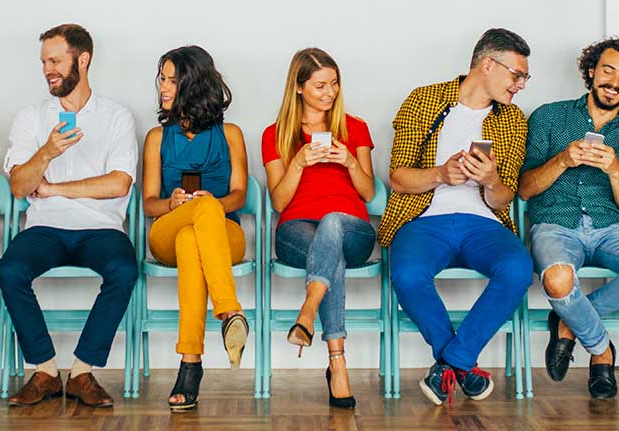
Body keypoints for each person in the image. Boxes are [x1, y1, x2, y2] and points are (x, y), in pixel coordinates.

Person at [380, 28, 532, 406]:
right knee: (408, 274)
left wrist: (491, 179)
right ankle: (462, 365)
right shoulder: (424, 100)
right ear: (487, 64)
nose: (520, 85)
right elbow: (397, 177)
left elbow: (504, 198)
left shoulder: (512, 120)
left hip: (484, 223)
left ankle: (452, 362)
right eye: (517, 75)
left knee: (517, 269)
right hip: (424, 220)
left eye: (524, 77)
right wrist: (440, 174)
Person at [520, 37, 619, 399]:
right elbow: (524, 189)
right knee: (557, 280)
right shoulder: (549, 117)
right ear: (591, 71)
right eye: (608, 71)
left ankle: (568, 324)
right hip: (555, 223)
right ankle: (602, 352)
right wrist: (562, 160)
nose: (614, 82)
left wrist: (616, 171)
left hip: (612, 228)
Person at [0, 24, 138, 409]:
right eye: (44, 62)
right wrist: (45, 153)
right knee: (10, 272)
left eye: (56, 60)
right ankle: (45, 370)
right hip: (45, 226)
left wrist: (56, 187)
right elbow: (17, 186)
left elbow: (119, 184)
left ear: (83, 59)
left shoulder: (116, 117)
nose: (48, 69)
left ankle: (81, 371)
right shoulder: (31, 117)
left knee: (124, 270)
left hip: (101, 227)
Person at [261, 47, 376, 409]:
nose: (330, 93)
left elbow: (370, 192)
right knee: (330, 251)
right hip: (296, 232)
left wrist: (349, 162)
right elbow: (279, 202)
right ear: (298, 88)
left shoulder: (355, 128)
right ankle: (337, 362)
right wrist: (297, 163)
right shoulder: (275, 134)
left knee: (332, 224)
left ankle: (308, 310)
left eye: (334, 84)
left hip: (352, 228)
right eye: (320, 85)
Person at [140, 45, 250, 412]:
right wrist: (171, 205)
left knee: (194, 237)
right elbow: (148, 204)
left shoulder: (230, 134)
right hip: (165, 232)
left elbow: (238, 196)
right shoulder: (157, 137)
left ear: (195, 85)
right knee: (186, 229)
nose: (164, 88)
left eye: (173, 80)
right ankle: (229, 311)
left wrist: (207, 204)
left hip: (222, 233)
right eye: (163, 79)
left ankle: (190, 364)